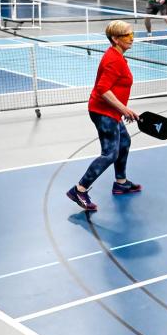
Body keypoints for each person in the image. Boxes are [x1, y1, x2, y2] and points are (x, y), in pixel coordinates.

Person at [67, 20, 143, 212]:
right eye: (127, 35)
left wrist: (121, 109)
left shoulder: (118, 56)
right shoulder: (113, 60)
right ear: (115, 39)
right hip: (103, 112)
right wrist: (124, 109)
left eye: (132, 33)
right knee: (110, 153)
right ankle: (79, 189)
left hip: (111, 111)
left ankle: (121, 183)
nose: (132, 38)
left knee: (124, 142)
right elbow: (103, 89)